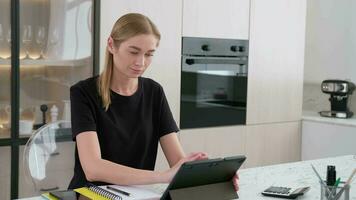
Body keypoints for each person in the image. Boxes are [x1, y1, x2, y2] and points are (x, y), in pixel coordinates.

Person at [68, 13, 239, 191]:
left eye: (149, 54)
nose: (141, 62)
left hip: (136, 195)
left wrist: (214, 176)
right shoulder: (83, 93)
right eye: (134, 52)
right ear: (111, 45)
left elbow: (177, 162)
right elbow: (93, 169)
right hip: (90, 195)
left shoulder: (154, 92)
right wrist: (163, 176)